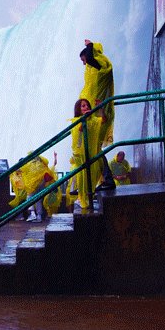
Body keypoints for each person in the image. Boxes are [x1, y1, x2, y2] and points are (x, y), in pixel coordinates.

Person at [79, 39, 116, 190]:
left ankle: (107, 180)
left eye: (84, 60)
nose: (84, 64)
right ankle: (101, 181)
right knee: (93, 149)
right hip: (98, 112)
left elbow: (93, 59)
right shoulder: (98, 69)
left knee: (95, 149)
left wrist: (89, 46)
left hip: (102, 112)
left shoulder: (103, 65)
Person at [70, 98, 106, 211]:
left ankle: (88, 196)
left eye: (87, 105)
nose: (86, 107)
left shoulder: (93, 120)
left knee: (94, 174)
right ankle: (82, 198)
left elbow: (103, 120)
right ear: (78, 110)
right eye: (83, 106)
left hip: (91, 153)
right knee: (83, 177)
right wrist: (84, 119)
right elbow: (78, 133)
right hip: (80, 154)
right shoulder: (76, 121)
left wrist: (101, 108)